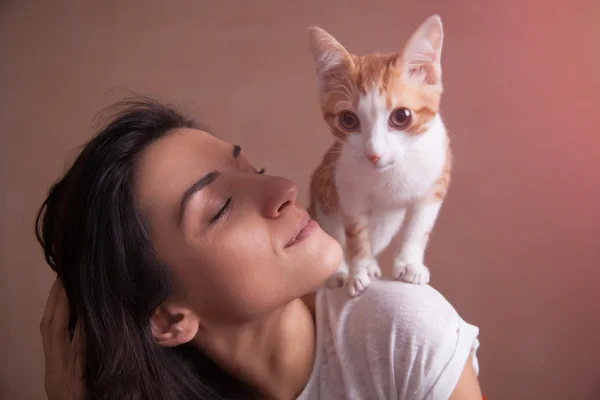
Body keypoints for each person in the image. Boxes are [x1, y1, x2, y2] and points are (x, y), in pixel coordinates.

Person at [37, 97, 483, 400]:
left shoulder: (398, 335)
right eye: (222, 207)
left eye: (254, 169)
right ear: (168, 317)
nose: (283, 188)